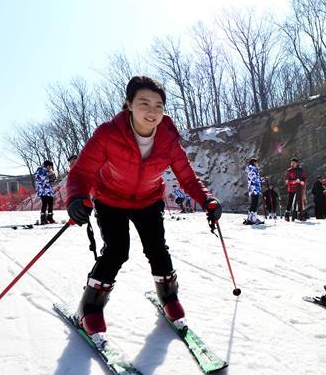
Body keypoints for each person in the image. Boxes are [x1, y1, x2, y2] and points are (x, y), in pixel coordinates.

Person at [65, 76, 222, 335]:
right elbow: (82, 172)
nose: (152, 111)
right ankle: (89, 309)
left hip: (148, 199)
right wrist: (75, 198)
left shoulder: (168, 139)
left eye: (159, 105)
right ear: (129, 104)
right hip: (110, 199)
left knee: (157, 248)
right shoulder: (108, 134)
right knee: (117, 251)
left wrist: (207, 199)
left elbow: (187, 177)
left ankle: (169, 298)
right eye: (144, 103)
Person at [34, 160, 57, 224]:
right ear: (47, 166)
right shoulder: (40, 171)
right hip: (43, 191)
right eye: (50, 166)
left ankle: (50, 217)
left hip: (49, 190)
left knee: (50, 204)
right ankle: (43, 218)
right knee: (44, 204)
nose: (51, 168)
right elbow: (42, 179)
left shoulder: (48, 171)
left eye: (51, 167)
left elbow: (50, 180)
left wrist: (53, 178)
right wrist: (50, 177)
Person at [245, 158, 265, 225]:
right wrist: (262, 179)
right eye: (257, 162)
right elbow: (254, 179)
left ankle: (250, 218)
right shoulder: (253, 169)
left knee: (253, 204)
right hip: (254, 189)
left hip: (253, 189)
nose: (257, 164)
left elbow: (255, 178)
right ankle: (253, 219)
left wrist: (263, 179)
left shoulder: (251, 169)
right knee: (254, 204)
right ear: (254, 163)